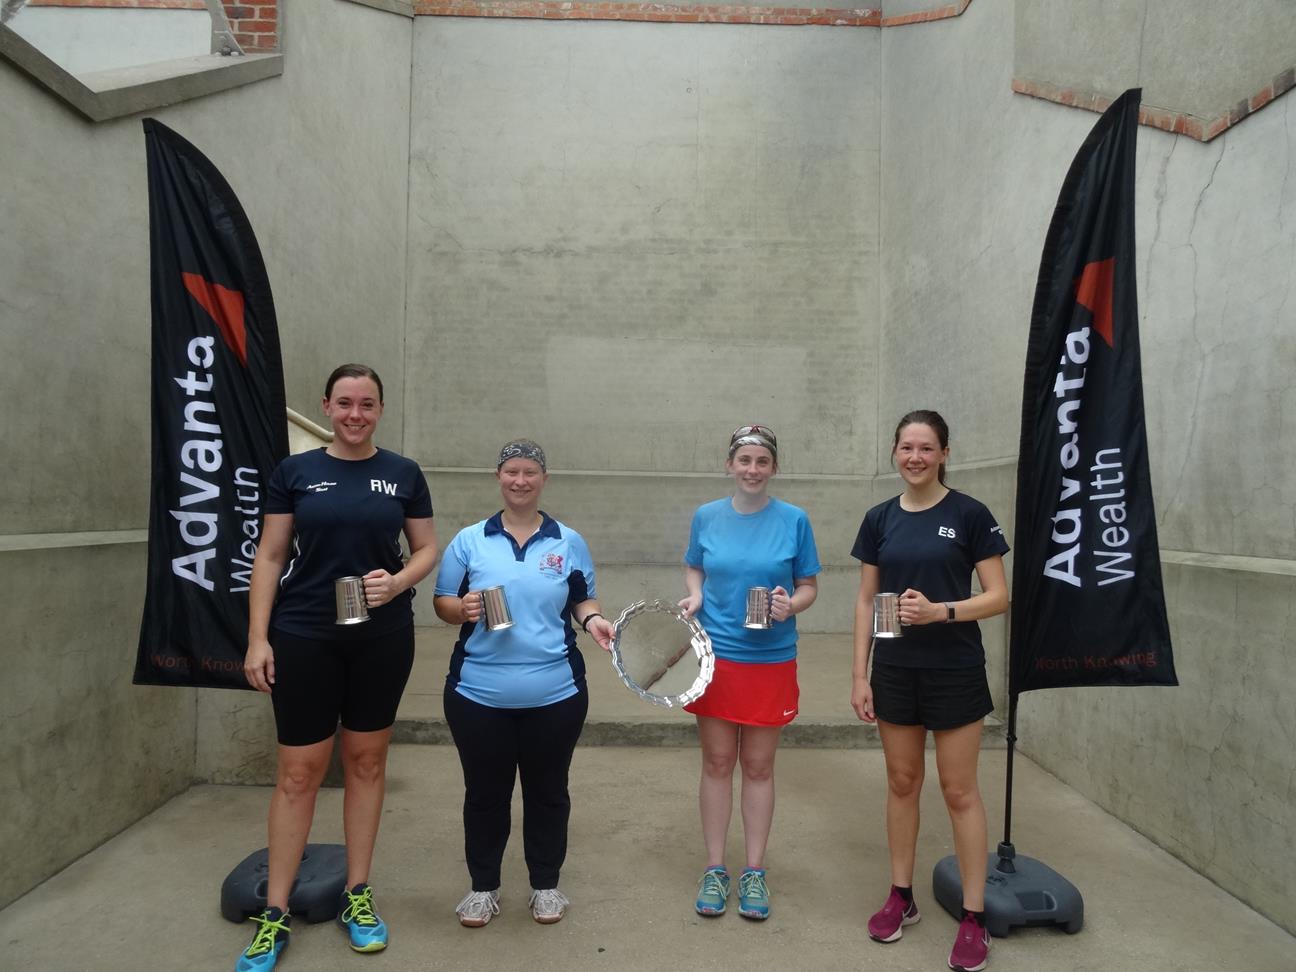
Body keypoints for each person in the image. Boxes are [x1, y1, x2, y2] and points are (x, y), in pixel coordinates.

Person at [237, 364, 438, 970]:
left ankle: (357, 895)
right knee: (298, 774)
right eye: (345, 403)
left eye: (367, 404)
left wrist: (398, 581)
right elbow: (270, 556)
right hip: (303, 636)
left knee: (367, 762)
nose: (356, 414)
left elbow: (427, 547)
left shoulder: (402, 474)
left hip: (381, 638)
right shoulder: (295, 473)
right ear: (327, 406)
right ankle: (274, 914)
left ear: (381, 409)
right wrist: (256, 640)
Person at [850, 409, 1009, 972]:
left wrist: (943, 611)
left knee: (959, 790)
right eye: (906, 447)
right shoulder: (879, 518)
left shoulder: (970, 514)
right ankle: (902, 895)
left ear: (944, 454)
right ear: (894, 452)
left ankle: (973, 917)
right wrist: (859, 674)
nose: (915, 457)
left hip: (955, 670)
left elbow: (998, 596)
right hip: (894, 669)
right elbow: (868, 601)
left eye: (926, 448)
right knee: (902, 782)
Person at [433, 439, 615, 929]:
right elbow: (442, 601)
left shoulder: (568, 542)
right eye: (511, 471)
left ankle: (545, 886)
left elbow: (582, 599)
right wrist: (463, 608)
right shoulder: (469, 540)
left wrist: (594, 620)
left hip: (555, 694)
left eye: (530, 472)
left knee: (548, 792)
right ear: (499, 476)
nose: (520, 480)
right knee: (485, 794)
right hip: (477, 695)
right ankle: (483, 888)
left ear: (543, 479)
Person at [678, 424, 821, 921]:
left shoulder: (795, 520)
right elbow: (695, 566)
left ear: (774, 467)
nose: (753, 470)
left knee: (758, 767)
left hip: (771, 659)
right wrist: (695, 596)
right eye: (744, 461)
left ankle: (754, 872)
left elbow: (808, 585)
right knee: (718, 763)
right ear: (730, 465)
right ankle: (716, 869)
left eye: (762, 462)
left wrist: (791, 605)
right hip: (717, 658)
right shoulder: (706, 517)